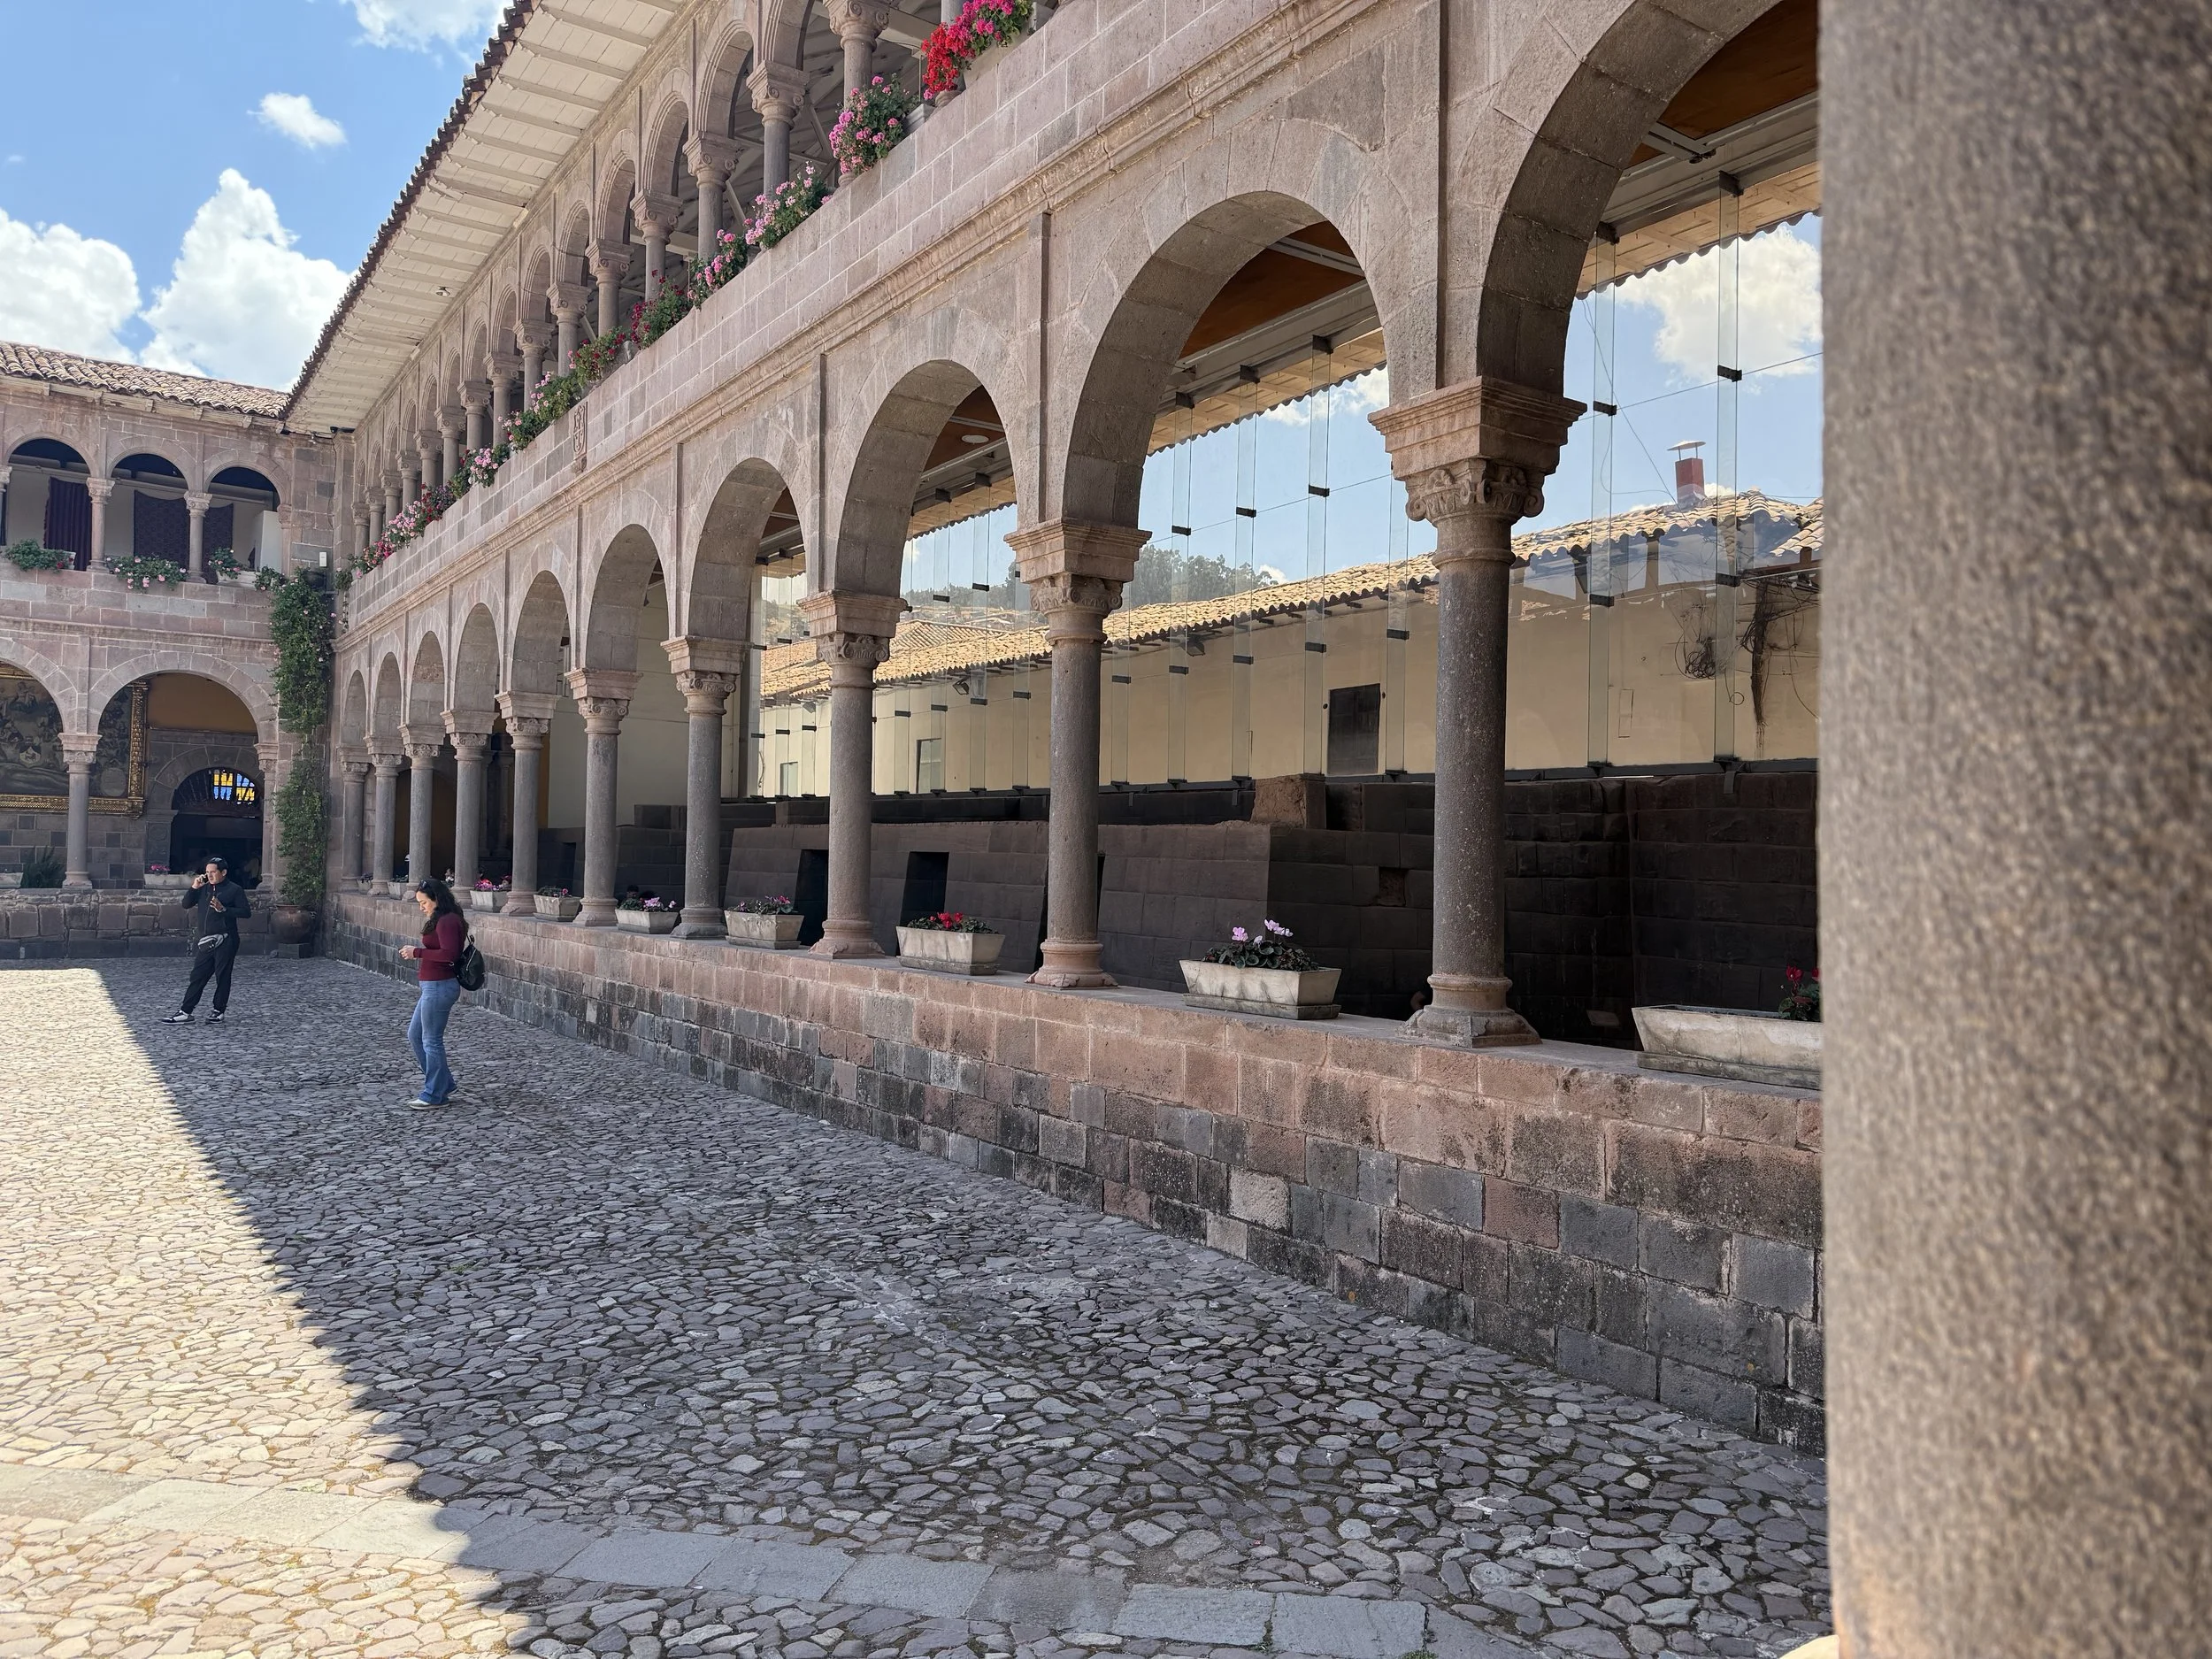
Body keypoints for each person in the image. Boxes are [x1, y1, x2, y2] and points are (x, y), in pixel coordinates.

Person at [398, 878, 468, 1110]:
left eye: (424, 902)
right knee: (415, 1035)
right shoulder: (441, 919)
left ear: (436, 899)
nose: (422, 907)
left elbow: (450, 954)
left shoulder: (447, 921)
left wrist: (417, 952)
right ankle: (443, 1083)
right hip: (432, 986)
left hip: (440, 986)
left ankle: (434, 1094)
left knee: (431, 1040)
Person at [165, 856, 250, 1025]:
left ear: (223, 872)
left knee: (222, 976)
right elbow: (186, 904)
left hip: (226, 939)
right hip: (206, 940)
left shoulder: (234, 890)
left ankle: (218, 1011)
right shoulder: (203, 889)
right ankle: (185, 1011)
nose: (209, 875)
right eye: (207, 872)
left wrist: (224, 909)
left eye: (213, 872)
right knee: (197, 975)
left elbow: (245, 912)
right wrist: (194, 887)